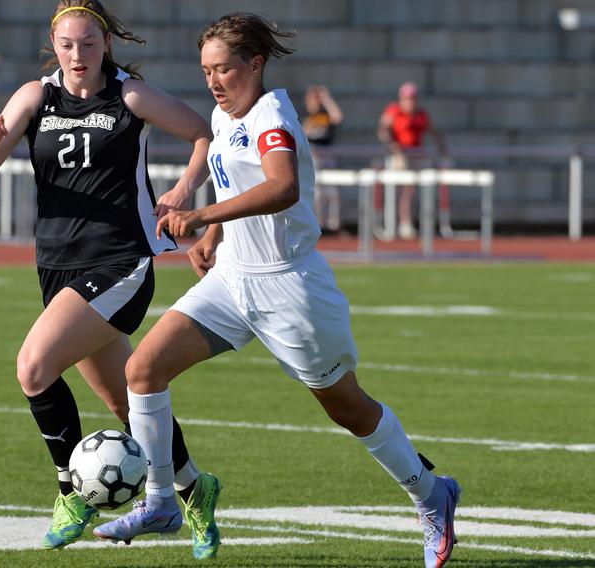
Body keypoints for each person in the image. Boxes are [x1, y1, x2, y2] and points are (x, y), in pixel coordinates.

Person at [94, 13, 462, 568]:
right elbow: (232, 174)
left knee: (348, 409)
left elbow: (282, 186)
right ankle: (163, 502)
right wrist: (215, 234)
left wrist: (200, 215)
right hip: (233, 278)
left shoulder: (273, 115)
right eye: (206, 70)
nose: (214, 81)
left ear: (256, 64)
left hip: (291, 285)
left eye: (224, 69)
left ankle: (432, 496)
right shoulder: (224, 113)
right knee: (143, 369)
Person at [0, 0, 219, 555]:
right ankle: (196, 490)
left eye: (87, 43)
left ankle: (70, 492)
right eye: (67, 44)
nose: (77, 54)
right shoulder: (36, 95)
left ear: (106, 43)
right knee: (128, 405)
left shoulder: (129, 95)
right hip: (58, 265)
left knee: (33, 367)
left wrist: (184, 190)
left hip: (121, 261)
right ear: (52, 46)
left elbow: (204, 132)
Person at [377, 81, 447, 240]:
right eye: (407, 98)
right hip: (399, 157)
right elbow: (383, 130)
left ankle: (407, 224)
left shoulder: (420, 114)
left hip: (417, 155)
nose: (410, 102)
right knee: (395, 192)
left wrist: (442, 146)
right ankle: (391, 226)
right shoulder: (393, 111)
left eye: (413, 98)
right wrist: (392, 144)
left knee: (410, 193)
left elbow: (433, 130)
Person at [302, 84, 344, 234]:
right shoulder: (308, 119)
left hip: (328, 154)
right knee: (317, 192)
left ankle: (333, 225)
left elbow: (338, 116)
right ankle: (318, 224)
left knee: (332, 191)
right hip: (314, 157)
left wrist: (326, 99)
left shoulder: (326, 115)